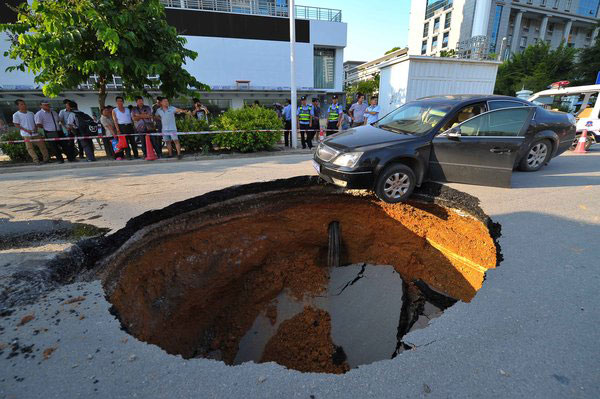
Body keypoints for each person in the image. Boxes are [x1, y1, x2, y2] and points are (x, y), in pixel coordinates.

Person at [12, 99, 49, 164]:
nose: (24, 105)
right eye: (21, 104)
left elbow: (35, 122)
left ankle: (46, 159)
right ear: (18, 106)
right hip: (26, 134)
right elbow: (16, 125)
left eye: (24, 103)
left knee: (42, 146)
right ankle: (36, 160)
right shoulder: (16, 115)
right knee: (30, 148)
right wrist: (26, 130)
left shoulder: (31, 113)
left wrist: (35, 128)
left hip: (35, 133)